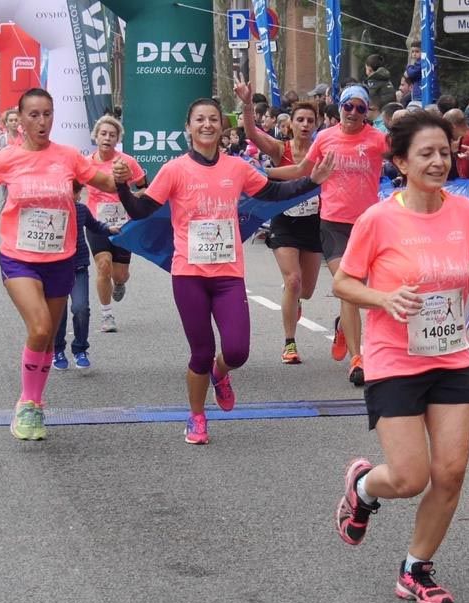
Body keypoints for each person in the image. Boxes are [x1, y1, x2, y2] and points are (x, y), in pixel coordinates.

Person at [332, 111, 469, 603]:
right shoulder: (378, 219)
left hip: (450, 356)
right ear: (402, 162)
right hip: (394, 359)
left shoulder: (466, 214)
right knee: (410, 477)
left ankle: (416, 569)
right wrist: (384, 299)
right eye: (426, 153)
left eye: (444, 153)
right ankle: (364, 486)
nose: (438, 161)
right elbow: (343, 282)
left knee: (450, 473)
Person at [113, 97, 335, 445]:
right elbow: (141, 211)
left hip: (228, 274)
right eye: (199, 119)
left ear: (221, 127)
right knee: (200, 352)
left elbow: (274, 191)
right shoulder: (174, 170)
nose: (207, 125)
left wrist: (312, 181)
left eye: (213, 119)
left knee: (237, 351)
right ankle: (197, 416)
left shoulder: (237, 167)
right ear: (188, 128)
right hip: (189, 274)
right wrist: (121, 187)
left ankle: (221, 373)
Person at [0, 88, 124, 441]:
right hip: (19, 258)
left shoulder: (68, 157)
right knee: (40, 328)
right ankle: (26, 401)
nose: (42, 121)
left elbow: (106, 183)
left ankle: (35, 403)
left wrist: (120, 173)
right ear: (20, 120)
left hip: (61, 259)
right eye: (34, 115)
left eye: (47, 114)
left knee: (47, 336)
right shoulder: (8, 158)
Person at [269, 85, 386, 387]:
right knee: (348, 286)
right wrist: (261, 174)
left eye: (360, 108)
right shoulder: (325, 138)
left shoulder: (377, 139)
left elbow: (405, 160)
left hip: (366, 225)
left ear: (367, 112)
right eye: (348, 107)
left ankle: (344, 326)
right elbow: (301, 170)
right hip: (333, 223)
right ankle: (357, 360)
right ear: (340, 108)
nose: (353, 113)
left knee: (356, 289)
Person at [237, 80, 323, 365]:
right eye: (300, 120)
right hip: (284, 222)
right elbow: (251, 132)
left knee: (306, 291)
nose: (305, 124)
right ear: (291, 124)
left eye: (310, 120)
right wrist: (247, 104)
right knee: (293, 280)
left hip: (313, 223)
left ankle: (294, 300)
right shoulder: (279, 149)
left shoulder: (321, 151)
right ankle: (289, 343)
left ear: (317, 124)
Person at [84, 114, 148, 334]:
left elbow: (144, 186)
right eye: (103, 134)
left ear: (117, 139)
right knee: (103, 265)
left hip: (123, 224)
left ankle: (119, 283)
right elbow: (74, 187)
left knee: (119, 274)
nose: (107, 138)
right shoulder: (86, 164)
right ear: (96, 136)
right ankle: (106, 315)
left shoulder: (127, 162)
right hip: (96, 222)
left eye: (112, 135)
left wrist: (137, 195)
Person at [53, 182, 116, 371]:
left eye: (77, 192)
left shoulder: (81, 209)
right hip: (54, 269)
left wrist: (110, 229)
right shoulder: (50, 211)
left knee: (81, 308)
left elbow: (95, 225)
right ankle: (58, 350)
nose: (77, 196)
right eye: (74, 192)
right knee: (58, 312)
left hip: (78, 267)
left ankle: (80, 349)